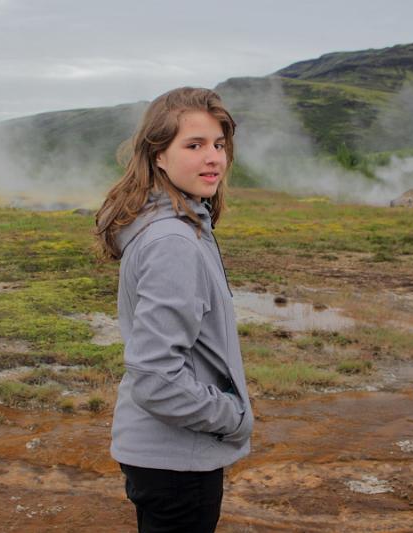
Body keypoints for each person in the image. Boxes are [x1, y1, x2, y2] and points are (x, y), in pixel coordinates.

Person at [95, 87, 253, 532]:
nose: (214, 158)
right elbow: (156, 376)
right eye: (194, 145)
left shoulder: (175, 226)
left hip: (163, 456)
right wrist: (232, 417)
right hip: (179, 461)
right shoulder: (173, 242)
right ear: (159, 155)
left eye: (219, 144)